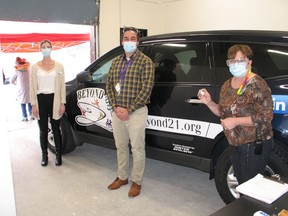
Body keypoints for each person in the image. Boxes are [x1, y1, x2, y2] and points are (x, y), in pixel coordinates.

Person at [198, 44, 273, 185]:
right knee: (242, 183)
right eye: (232, 60)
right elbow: (222, 113)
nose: (235, 64)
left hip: (254, 144)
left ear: (249, 63)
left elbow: (265, 117)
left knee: (251, 187)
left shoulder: (257, 84)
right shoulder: (227, 85)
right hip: (234, 143)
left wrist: (235, 121)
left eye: (240, 60)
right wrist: (209, 102)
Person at [106, 27, 154, 197]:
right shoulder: (116, 62)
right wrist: (115, 107)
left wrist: (129, 109)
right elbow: (109, 86)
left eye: (132, 38)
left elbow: (146, 89)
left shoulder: (145, 62)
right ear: (122, 41)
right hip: (118, 112)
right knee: (120, 146)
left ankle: (136, 181)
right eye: (126, 38)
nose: (129, 41)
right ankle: (122, 177)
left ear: (138, 42)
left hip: (136, 113)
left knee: (137, 148)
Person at [30, 39, 66, 167]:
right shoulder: (34, 67)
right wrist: (33, 104)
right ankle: (44, 155)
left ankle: (58, 155)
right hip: (40, 100)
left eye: (48, 47)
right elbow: (32, 87)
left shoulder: (59, 66)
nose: (46, 49)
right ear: (40, 49)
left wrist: (63, 103)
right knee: (43, 130)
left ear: (51, 49)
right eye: (43, 47)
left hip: (54, 99)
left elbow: (62, 86)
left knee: (56, 129)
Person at [10, 57, 33, 121]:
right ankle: (31, 115)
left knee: (22, 102)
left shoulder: (17, 70)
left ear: (17, 63)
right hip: (29, 87)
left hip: (21, 89)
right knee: (29, 101)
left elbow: (11, 81)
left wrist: (15, 83)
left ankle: (24, 117)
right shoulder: (29, 68)